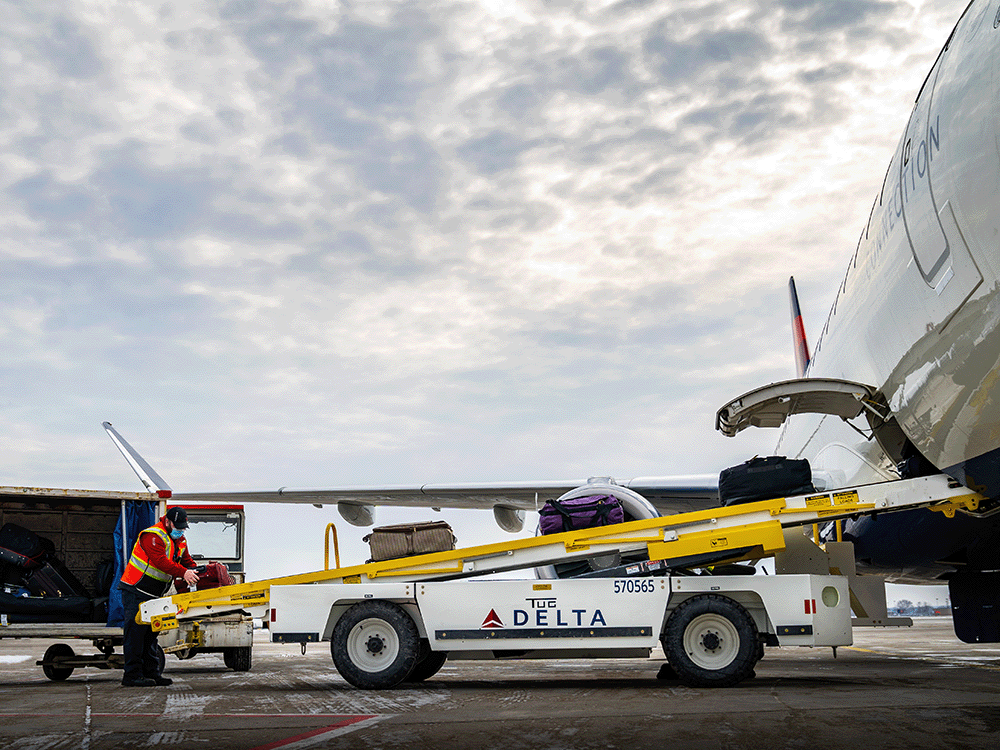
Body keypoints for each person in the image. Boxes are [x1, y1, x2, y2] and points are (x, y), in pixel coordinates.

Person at [118, 506, 199, 687]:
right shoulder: (153, 536)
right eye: (177, 526)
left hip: (154, 595)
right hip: (136, 591)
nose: (180, 530)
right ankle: (131, 675)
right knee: (135, 635)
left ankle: (152, 673)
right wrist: (184, 572)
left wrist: (195, 571)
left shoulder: (180, 540)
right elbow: (161, 562)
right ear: (167, 521)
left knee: (150, 635)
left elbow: (186, 561)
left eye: (182, 527)